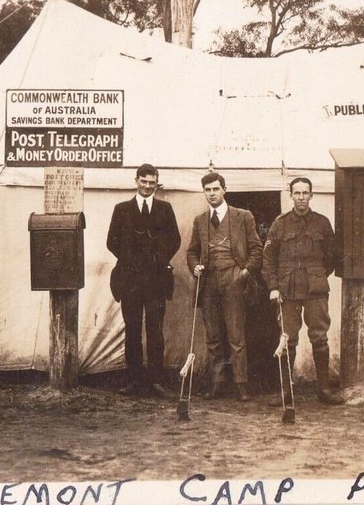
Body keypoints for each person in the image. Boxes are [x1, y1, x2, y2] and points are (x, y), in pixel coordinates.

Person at [262, 177, 345, 405]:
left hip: (315, 291)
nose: (301, 197)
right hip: (287, 291)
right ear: (290, 195)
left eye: (305, 193)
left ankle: (324, 390)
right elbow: (268, 259)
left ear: (311, 195)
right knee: (287, 339)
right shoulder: (280, 224)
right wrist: (273, 287)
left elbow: (333, 257)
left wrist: (316, 275)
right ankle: (286, 392)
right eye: (297, 193)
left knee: (319, 336)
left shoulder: (322, 223)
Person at [186, 172, 262, 402]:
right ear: (204, 193)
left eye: (216, 189)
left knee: (236, 336)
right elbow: (192, 251)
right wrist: (195, 267)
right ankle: (217, 383)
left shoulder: (242, 217)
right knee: (213, 336)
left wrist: (244, 272)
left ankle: (241, 385)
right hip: (209, 283)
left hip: (234, 280)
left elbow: (257, 250)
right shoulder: (200, 221)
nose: (212, 194)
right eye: (208, 190)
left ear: (224, 190)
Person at [106, 163, 181, 397]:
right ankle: (135, 381)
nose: (148, 187)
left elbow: (175, 239)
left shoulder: (165, 209)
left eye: (152, 183)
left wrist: (158, 260)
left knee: (155, 331)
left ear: (156, 184)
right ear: (136, 180)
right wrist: (130, 261)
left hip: (157, 280)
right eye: (144, 181)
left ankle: (156, 381)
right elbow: (112, 241)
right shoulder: (122, 209)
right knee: (133, 330)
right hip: (129, 281)